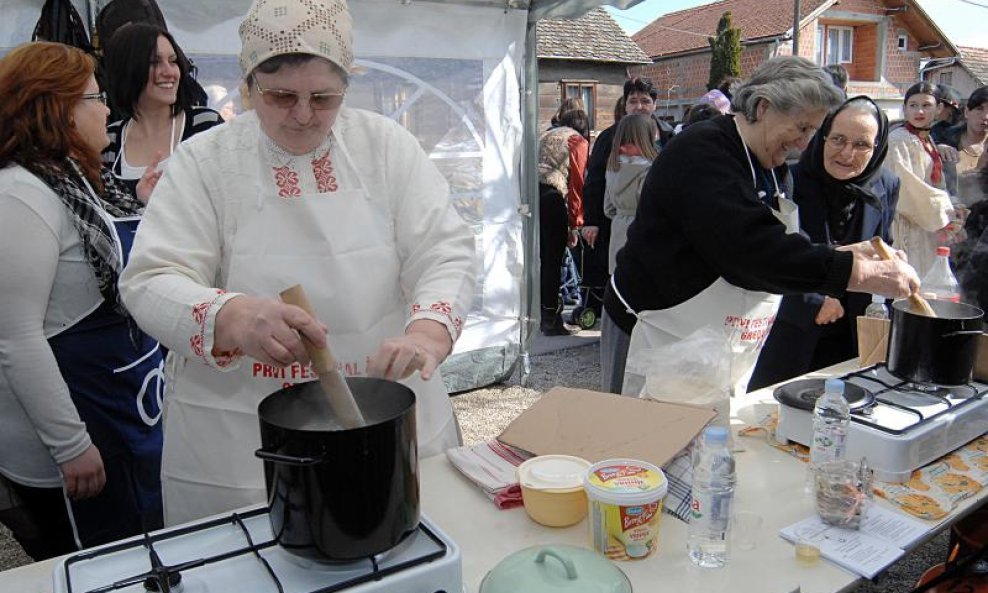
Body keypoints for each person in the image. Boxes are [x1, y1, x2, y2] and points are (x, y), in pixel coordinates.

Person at [118, 0, 476, 526]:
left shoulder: (385, 148)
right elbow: (149, 280)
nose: (304, 114)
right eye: (281, 96)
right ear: (248, 85)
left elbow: (443, 248)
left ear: (346, 88)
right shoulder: (206, 162)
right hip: (239, 435)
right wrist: (233, 317)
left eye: (323, 97)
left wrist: (427, 331)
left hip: (384, 405)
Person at [599, 56, 920, 396]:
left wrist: (838, 253)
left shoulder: (772, 167)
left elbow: (781, 241)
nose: (803, 143)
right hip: (652, 327)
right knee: (638, 438)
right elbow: (749, 250)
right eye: (801, 128)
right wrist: (858, 273)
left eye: (812, 131)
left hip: (707, 337)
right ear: (764, 107)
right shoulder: (702, 152)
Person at [0, 42, 165, 559]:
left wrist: (140, 202)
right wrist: (71, 447)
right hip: (72, 436)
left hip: (121, 409)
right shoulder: (18, 196)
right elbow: (16, 336)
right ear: (58, 108)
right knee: (97, 565)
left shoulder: (70, 178)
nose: (109, 109)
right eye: (96, 97)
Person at [750, 96, 900, 390]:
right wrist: (810, 301)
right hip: (792, 332)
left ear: (878, 147)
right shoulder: (786, 180)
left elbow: (882, 243)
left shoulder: (886, 184)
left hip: (853, 334)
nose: (847, 153)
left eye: (861, 145)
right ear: (822, 136)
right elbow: (765, 260)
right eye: (838, 140)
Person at [101, 23, 224, 200]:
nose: (169, 72)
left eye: (173, 61)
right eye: (154, 62)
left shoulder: (205, 125)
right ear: (127, 69)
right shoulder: (109, 140)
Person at [580, 78, 658, 325]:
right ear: (624, 104)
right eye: (633, 101)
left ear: (654, 104)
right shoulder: (610, 138)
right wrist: (591, 220)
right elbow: (594, 181)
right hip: (632, 227)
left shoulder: (667, 133)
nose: (639, 106)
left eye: (645, 101)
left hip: (620, 224)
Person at [887, 81, 961, 279]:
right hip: (908, 219)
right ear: (904, 109)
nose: (919, 111)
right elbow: (907, 188)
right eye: (913, 105)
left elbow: (934, 180)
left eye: (926, 105)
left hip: (925, 221)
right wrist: (946, 208)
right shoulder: (899, 139)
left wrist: (952, 205)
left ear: (938, 109)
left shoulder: (925, 138)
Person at [538, 109, 589, 335]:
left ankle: (538, 313)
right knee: (553, 261)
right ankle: (551, 319)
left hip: (530, 194)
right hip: (552, 198)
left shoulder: (545, 135)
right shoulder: (577, 140)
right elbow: (576, 185)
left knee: (538, 260)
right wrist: (575, 225)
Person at [603, 114, 658, 275]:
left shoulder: (613, 167)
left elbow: (608, 208)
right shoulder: (649, 169)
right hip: (643, 233)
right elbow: (649, 206)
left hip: (618, 229)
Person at [938, 86, 988, 206]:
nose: (985, 117)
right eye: (979, 109)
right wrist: (936, 149)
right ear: (966, 112)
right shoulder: (943, 140)